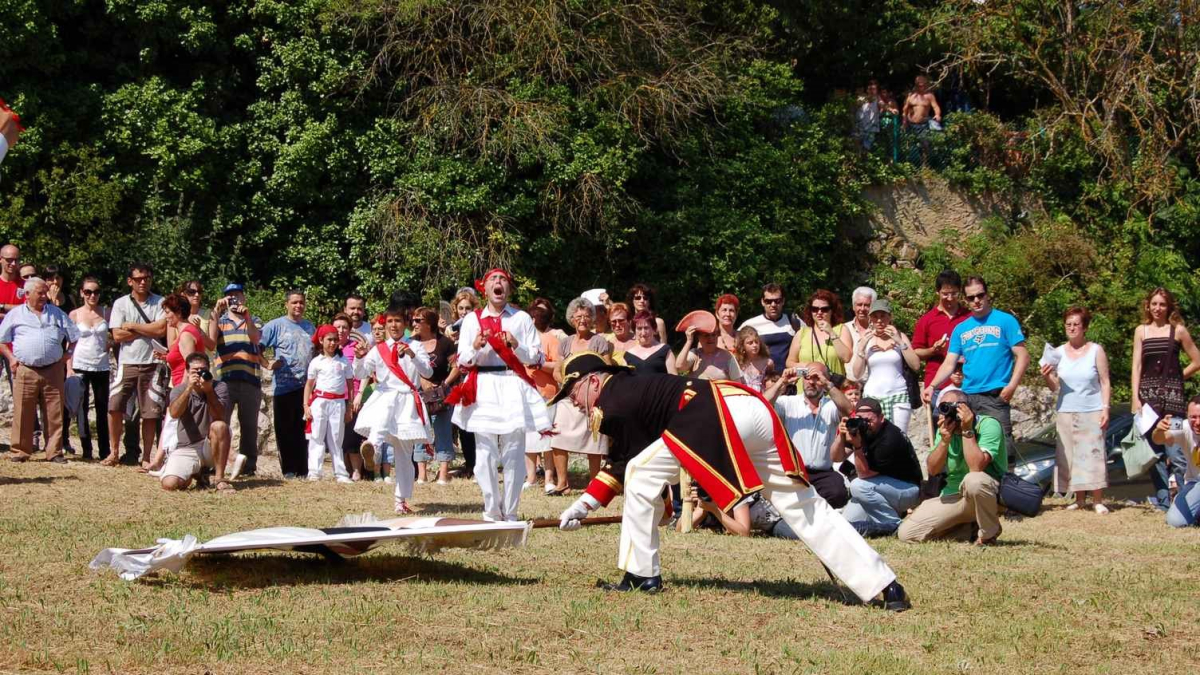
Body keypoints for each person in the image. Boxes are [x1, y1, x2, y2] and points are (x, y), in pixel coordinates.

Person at [552, 353, 910, 610]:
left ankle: (641, 575)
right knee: (806, 506)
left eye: (573, 394)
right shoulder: (634, 384)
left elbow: (621, 462)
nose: (575, 404)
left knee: (638, 472)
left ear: (594, 381)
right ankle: (885, 584)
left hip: (718, 416)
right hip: (749, 407)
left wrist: (584, 503)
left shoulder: (613, 399)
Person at [448, 268, 551, 521]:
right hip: (482, 386)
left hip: (512, 384)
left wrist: (516, 344)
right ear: (484, 287)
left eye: (503, 280)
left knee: (514, 452)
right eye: (493, 279)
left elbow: (537, 357)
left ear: (509, 288)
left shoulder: (522, 319)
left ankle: (511, 511)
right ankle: (492, 510)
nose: (498, 283)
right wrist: (475, 347)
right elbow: (462, 361)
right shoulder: (472, 320)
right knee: (484, 454)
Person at [923, 276, 1030, 444]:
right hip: (968, 396)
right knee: (970, 446)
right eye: (971, 298)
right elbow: (949, 363)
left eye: (980, 295)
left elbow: (1023, 355)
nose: (977, 301)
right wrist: (932, 386)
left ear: (987, 295)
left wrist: (1012, 386)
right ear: (965, 299)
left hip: (995, 395)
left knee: (1001, 449)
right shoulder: (961, 329)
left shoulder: (1005, 320)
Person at [898, 389, 1007, 544]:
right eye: (943, 407)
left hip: (986, 493)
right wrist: (944, 441)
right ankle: (969, 529)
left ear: (964, 408)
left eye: (950, 407)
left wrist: (967, 430)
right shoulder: (945, 429)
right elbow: (933, 470)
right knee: (907, 534)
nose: (946, 412)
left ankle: (988, 534)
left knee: (973, 480)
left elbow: (976, 466)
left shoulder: (988, 424)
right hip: (953, 495)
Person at [355, 307, 433, 511]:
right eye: (390, 321)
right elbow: (360, 372)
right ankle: (372, 447)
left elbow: (428, 371)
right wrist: (360, 356)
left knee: (404, 453)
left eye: (398, 321)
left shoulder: (416, 345)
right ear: (385, 324)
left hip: (407, 399)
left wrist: (412, 354)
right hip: (385, 394)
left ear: (405, 324)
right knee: (382, 415)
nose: (393, 325)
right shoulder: (379, 348)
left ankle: (400, 500)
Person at [1131, 287, 1200, 510]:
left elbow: (1197, 360)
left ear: (1169, 306)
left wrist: (1178, 378)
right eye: (1154, 304)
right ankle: (1163, 503)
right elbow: (1136, 367)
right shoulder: (1141, 331)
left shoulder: (1178, 330)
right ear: (1147, 306)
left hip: (1174, 404)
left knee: (1177, 455)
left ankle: (1185, 502)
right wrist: (1135, 397)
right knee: (1153, 456)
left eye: (1162, 304)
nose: (1158, 308)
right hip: (1148, 404)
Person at [1040, 307, 1111, 514]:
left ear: (1084, 327)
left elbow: (1105, 382)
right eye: (1068, 324)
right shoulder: (1058, 353)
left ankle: (1097, 499)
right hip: (1066, 410)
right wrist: (1046, 376)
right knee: (1070, 456)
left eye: (1076, 324)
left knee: (1093, 454)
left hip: (1092, 408)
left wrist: (1105, 408)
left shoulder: (1096, 350)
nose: (1072, 328)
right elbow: (1056, 387)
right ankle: (1079, 499)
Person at [0, 277, 79, 462]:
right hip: (25, 368)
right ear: (27, 295)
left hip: (53, 369)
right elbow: (2, 340)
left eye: (45, 292)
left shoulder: (57, 313)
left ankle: (54, 452)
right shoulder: (16, 314)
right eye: (40, 292)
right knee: (23, 412)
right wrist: (11, 358)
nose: (45, 296)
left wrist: (68, 354)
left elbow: (74, 336)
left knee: (54, 412)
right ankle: (20, 451)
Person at [764, 363, 852, 508]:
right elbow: (762, 405)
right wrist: (781, 382)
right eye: (807, 377)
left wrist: (828, 385)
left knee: (838, 493)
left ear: (825, 380)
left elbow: (849, 410)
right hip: (794, 473)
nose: (811, 382)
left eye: (816, 378)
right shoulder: (788, 402)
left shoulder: (831, 405)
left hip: (823, 473)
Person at [105, 262, 167, 467]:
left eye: (147, 278)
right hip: (126, 363)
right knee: (115, 406)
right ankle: (114, 452)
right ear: (130, 281)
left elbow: (160, 330)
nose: (143, 282)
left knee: (150, 412)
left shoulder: (160, 302)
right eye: (139, 279)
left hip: (152, 363)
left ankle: (147, 457)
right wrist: (146, 328)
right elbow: (117, 335)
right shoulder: (121, 303)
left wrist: (132, 326)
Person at [550, 297, 613, 493]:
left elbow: (608, 367)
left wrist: (591, 390)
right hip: (569, 399)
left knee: (594, 441)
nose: (582, 320)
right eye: (578, 316)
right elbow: (557, 371)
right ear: (572, 318)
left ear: (592, 319)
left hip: (593, 400)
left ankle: (594, 483)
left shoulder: (599, 341)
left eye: (586, 316)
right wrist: (568, 386)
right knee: (557, 436)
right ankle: (562, 483)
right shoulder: (565, 343)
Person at [833, 398, 923, 536]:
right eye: (860, 419)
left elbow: (863, 474)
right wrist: (841, 436)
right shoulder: (861, 430)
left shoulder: (890, 437)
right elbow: (836, 457)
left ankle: (894, 525)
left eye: (869, 420)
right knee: (847, 525)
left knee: (858, 485)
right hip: (881, 488)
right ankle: (882, 522)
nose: (865, 424)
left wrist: (857, 446)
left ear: (881, 418)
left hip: (907, 490)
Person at [260, 290, 315, 478]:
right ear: (287, 304)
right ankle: (289, 470)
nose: (298, 306)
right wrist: (267, 364)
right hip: (283, 387)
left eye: (301, 302)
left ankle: (303, 470)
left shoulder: (310, 327)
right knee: (285, 430)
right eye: (294, 303)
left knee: (303, 430)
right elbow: (256, 347)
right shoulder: (275, 326)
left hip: (306, 388)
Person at [209, 284, 263, 475]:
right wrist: (216, 311)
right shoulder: (220, 321)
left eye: (237, 296)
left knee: (249, 426)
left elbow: (256, 339)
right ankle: (217, 463)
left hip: (251, 381)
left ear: (244, 298)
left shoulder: (254, 320)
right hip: (225, 380)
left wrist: (247, 318)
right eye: (230, 297)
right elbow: (211, 340)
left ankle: (248, 467)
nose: (234, 300)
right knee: (220, 423)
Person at [160, 353, 234, 492]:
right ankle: (197, 473)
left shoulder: (219, 387)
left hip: (210, 445)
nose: (200, 374)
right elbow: (174, 413)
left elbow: (219, 415)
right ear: (187, 372)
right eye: (195, 371)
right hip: (187, 446)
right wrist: (189, 388)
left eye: (203, 370)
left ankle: (219, 479)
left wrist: (209, 391)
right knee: (169, 484)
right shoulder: (179, 390)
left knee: (219, 426)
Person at [849, 298, 920, 434]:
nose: (879, 321)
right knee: (872, 438)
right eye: (875, 317)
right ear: (870, 319)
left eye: (883, 316)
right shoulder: (866, 340)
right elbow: (857, 373)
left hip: (898, 396)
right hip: (873, 397)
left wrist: (900, 342)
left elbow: (915, 365)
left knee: (898, 437)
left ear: (890, 317)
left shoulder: (900, 336)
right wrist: (861, 347)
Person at [912, 270, 970, 418]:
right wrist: (933, 349)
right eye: (945, 294)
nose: (950, 298)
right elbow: (916, 351)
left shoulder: (970, 318)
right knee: (941, 431)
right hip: (937, 386)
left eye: (954, 293)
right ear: (938, 292)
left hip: (966, 384)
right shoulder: (927, 320)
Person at [411, 306, 458, 485]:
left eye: (418, 320)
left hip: (442, 393)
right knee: (419, 431)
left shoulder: (445, 342)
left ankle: (443, 473)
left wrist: (445, 385)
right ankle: (422, 475)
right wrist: (422, 381)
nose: (414, 323)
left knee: (443, 430)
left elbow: (456, 366)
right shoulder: (410, 343)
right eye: (413, 320)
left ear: (429, 323)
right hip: (418, 393)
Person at [304, 325, 353, 482]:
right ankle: (314, 472)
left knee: (336, 438)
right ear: (321, 340)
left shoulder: (343, 360)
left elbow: (350, 385)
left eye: (335, 340)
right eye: (329, 340)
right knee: (317, 436)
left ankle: (340, 473)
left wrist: (349, 406)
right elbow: (309, 385)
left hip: (338, 402)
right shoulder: (316, 362)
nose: (332, 343)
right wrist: (306, 405)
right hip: (320, 402)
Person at [68, 277, 111, 460]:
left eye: (96, 292)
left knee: (102, 408)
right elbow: (69, 344)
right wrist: (69, 368)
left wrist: (110, 345)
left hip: (101, 364)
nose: (92, 295)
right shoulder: (75, 314)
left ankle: (104, 450)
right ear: (81, 293)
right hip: (80, 363)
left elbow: (114, 336)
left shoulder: (106, 312)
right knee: (82, 408)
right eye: (88, 292)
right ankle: (86, 448)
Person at [524, 303, 560, 493]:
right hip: (525, 393)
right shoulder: (522, 341)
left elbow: (558, 366)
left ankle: (549, 478)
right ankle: (530, 478)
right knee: (528, 436)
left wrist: (539, 363)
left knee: (547, 437)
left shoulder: (550, 339)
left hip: (547, 393)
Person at [1151, 397, 1200, 528]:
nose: (1197, 422)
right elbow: (1159, 439)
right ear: (1187, 416)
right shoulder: (1183, 427)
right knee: (1176, 521)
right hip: (1195, 483)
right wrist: (1159, 430)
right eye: (1193, 417)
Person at [786, 289, 851, 378]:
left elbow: (846, 358)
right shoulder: (802, 333)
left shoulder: (841, 329)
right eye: (815, 309)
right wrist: (807, 369)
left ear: (832, 311)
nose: (819, 313)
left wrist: (831, 333)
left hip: (832, 387)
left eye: (824, 309)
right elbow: (789, 363)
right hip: (807, 388)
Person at [739, 283, 801, 370]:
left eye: (777, 301)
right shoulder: (750, 325)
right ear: (762, 302)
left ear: (783, 301)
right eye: (768, 301)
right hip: (761, 380)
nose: (773, 305)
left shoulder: (794, 321)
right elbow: (738, 350)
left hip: (789, 378)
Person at [160, 294, 204, 387]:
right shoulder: (186, 332)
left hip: (186, 389)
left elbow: (190, 366)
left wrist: (182, 392)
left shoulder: (185, 335)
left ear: (179, 313)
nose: (165, 317)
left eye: (167, 312)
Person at [676, 321, 741, 381]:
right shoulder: (695, 354)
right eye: (706, 335)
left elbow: (737, 383)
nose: (710, 338)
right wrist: (689, 341)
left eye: (714, 335)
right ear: (699, 337)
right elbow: (679, 367)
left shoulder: (727, 356)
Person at [623, 311, 676, 376]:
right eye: (639, 329)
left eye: (646, 328)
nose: (643, 333)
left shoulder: (665, 350)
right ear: (634, 331)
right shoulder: (628, 355)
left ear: (654, 329)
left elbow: (674, 378)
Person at [839, 286, 877, 376]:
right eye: (859, 304)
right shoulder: (844, 329)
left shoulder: (879, 330)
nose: (862, 309)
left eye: (867, 305)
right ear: (853, 307)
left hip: (874, 385)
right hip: (849, 387)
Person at [734, 326, 774, 393]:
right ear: (742, 345)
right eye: (750, 343)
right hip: (744, 395)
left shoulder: (767, 362)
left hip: (762, 396)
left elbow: (771, 380)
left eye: (756, 342)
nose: (754, 345)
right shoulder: (738, 362)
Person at [855, 80, 883, 150]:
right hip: (859, 127)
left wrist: (890, 109)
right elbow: (854, 107)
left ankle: (864, 159)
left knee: (866, 148)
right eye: (870, 89)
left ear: (877, 90)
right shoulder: (861, 98)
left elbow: (883, 104)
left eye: (874, 89)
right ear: (867, 89)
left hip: (871, 128)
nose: (871, 91)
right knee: (856, 146)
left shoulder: (878, 99)